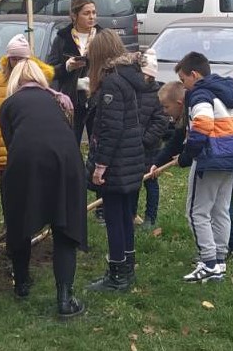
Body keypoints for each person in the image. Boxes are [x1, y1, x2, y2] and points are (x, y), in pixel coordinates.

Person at [0, 59, 87, 319]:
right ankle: (65, 299)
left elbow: (11, 142)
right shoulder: (58, 100)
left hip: (25, 161)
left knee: (20, 221)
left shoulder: (9, 105)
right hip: (66, 161)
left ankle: (22, 284)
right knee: (64, 227)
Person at [151, 52, 233, 283]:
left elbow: (202, 126)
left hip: (211, 159)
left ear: (193, 75)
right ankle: (220, 260)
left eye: (183, 80)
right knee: (221, 209)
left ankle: (209, 262)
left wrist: (187, 156)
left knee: (196, 211)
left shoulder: (200, 94)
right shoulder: (223, 93)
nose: (184, 86)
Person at [84, 30, 146, 292]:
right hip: (131, 158)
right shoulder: (130, 77)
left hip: (117, 162)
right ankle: (127, 267)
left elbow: (111, 128)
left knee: (114, 218)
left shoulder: (111, 83)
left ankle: (117, 273)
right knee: (124, 215)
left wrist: (100, 166)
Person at [0, 34, 54, 177]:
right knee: (6, 179)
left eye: (20, 59)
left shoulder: (36, 80)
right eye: (13, 59)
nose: (17, 63)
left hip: (28, 136)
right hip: (2, 138)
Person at [47, 0, 102, 143]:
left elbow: (113, 65)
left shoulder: (102, 37)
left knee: (98, 144)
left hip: (97, 99)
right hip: (71, 100)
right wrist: (67, 67)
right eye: (86, 13)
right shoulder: (62, 38)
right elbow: (50, 71)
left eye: (94, 12)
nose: (92, 17)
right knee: (70, 142)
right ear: (74, 16)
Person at [133, 50, 169, 230]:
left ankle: (150, 217)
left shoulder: (158, 95)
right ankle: (131, 213)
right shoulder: (132, 91)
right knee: (133, 183)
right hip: (133, 147)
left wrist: (146, 140)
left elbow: (160, 122)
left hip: (150, 148)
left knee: (151, 182)